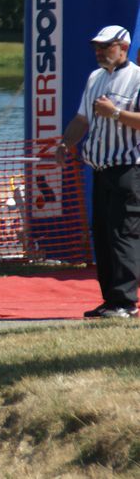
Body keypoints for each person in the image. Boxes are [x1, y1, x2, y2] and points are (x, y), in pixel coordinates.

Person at [57, 25, 140, 319]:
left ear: (123, 47)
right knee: (103, 235)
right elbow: (82, 118)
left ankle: (125, 302)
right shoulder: (95, 78)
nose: (99, 51)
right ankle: (109, 299)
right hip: (100, 170)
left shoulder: (137, 78)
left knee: (123, 234)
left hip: (128, 169)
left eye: (105, 46)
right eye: (97, 46)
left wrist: (116, 113)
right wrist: (66, 143)